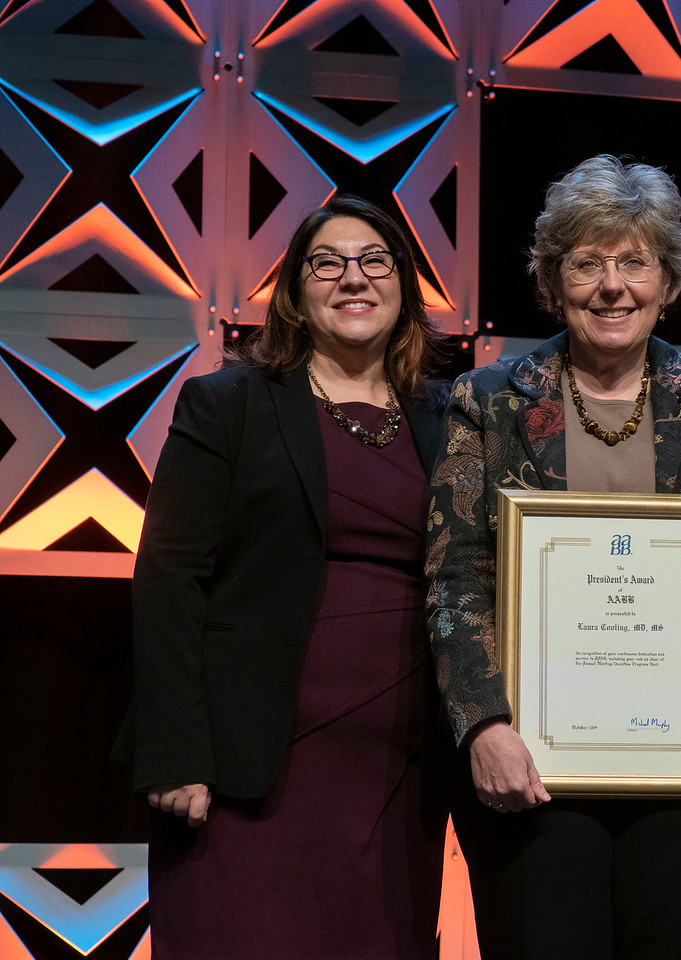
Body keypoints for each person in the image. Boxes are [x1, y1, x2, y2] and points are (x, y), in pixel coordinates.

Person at [426, 154, 681, 960]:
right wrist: (483, 724)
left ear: (668, 281)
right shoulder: (489, 400)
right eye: (587, 264)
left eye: (635, 262)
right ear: (552, 283)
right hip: (534, 772)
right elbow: (455, 577)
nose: (612, 286)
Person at [112, 194, 451, 959]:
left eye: (374, 261)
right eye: (325, 264)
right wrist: (176, 752)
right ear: (296, 292)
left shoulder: (446, 417)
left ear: (404, 286)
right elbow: (168, 578)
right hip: (245, 769)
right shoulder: (227, 402)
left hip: (396, 773)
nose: (351, 279)